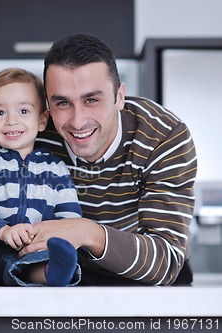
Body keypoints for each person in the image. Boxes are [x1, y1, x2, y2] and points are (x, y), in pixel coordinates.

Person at [28, 34, 197, 286]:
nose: (77, 121)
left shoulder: (163, 136)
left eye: (92, 99)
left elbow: (166, 259)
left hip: (140, 275)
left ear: (120, 96)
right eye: (62, 102)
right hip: (57, 273)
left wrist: (87, 231)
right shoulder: (32, 131)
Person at [0, 68, 83, 286]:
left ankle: (54, 273)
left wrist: (46, 238)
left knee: (40, 258)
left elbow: (70, 215)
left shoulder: (55, 168)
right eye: (0, 113)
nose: (11, 121)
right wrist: (3, 231)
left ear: (43, 120)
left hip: (31, 247)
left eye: (23, 111)